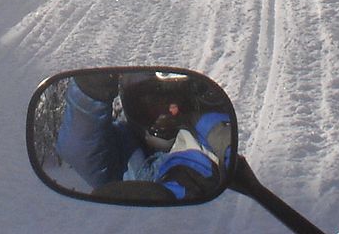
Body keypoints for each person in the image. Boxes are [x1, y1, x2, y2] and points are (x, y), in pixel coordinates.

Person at [54, 71, 232, 203]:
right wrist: (90, 91)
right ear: (131, 106)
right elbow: (78, 148)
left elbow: (198, 162)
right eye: (153, 104)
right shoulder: (123, 148)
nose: (169, 112)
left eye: (175, 100)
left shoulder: (201, 135)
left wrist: (172, 194)